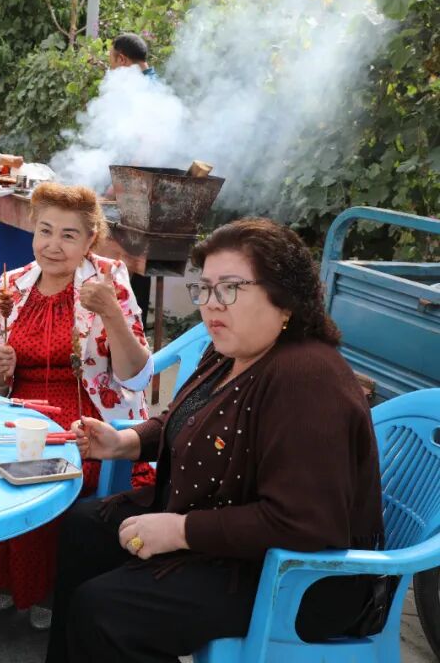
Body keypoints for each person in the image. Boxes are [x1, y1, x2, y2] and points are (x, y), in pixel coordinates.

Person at [46, 218, 385, 663]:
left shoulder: (306, 379)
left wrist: (181, 531)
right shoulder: (230, 350)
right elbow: (186, 418)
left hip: (297, 577)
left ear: (284, 297)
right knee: (83, 527)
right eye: (204, 289)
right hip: (232, 530)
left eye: (229, 288)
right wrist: (124, 441)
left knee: (106, 611)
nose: (210, 305)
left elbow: (303, 522)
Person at [0, 182, 153, 629]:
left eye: (69, 235)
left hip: (86, 414)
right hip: (19, 412)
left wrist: (111, 314)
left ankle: (49, 587)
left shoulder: (108, 280)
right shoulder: (13, 283)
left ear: (91, 239)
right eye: (45, 231)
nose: (53, 246)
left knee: (46, 468)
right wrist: (0, 371)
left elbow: (136, 376)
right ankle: (9, 576)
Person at [108, 32, 157, 322]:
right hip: (138, 185)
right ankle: (131, 321)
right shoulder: (149, 83)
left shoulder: (146, 91)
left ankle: (131, 323)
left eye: (112, 61)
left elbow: (148, 145)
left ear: (122, 59)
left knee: (135, 260)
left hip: (141, 187)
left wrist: (121, 184)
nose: (111, 68)